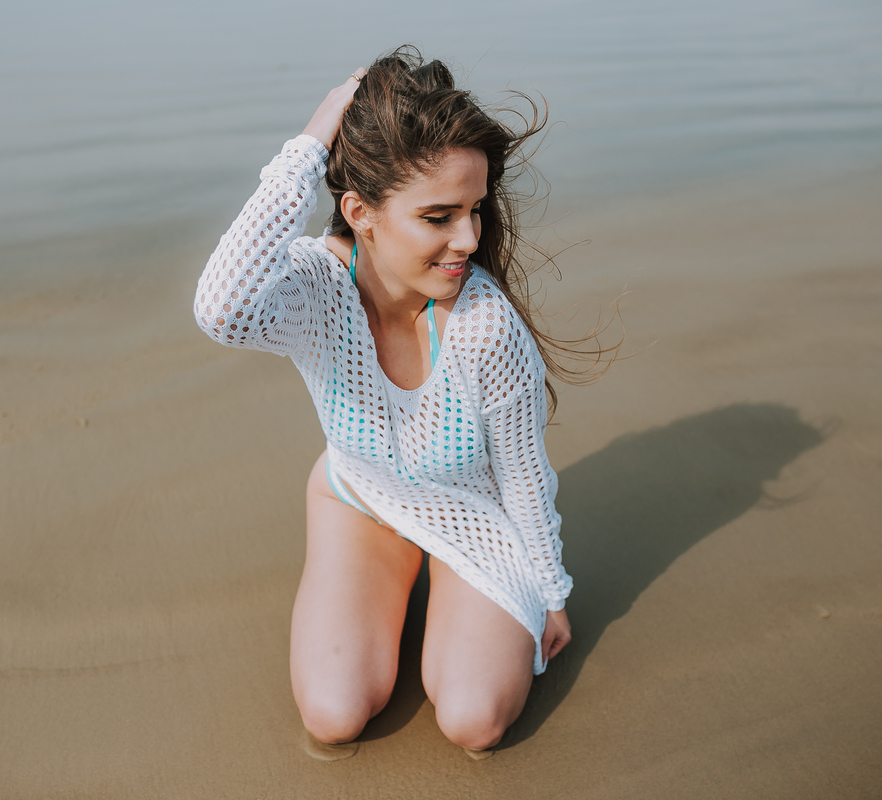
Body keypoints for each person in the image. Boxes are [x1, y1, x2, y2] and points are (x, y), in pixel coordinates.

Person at [196, 47, 602, 758]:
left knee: (473, 722)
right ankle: (392, 577)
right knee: (333, 716)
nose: (468, 240)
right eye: (439, 216)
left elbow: (523, 475)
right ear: (361, 212)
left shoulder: (485, 326)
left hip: (472, 517)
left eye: (475, 211)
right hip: (360, 496)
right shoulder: (315, 289)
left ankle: (440, 582)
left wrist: (552, 592)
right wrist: (312, 140)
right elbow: (222, 309)